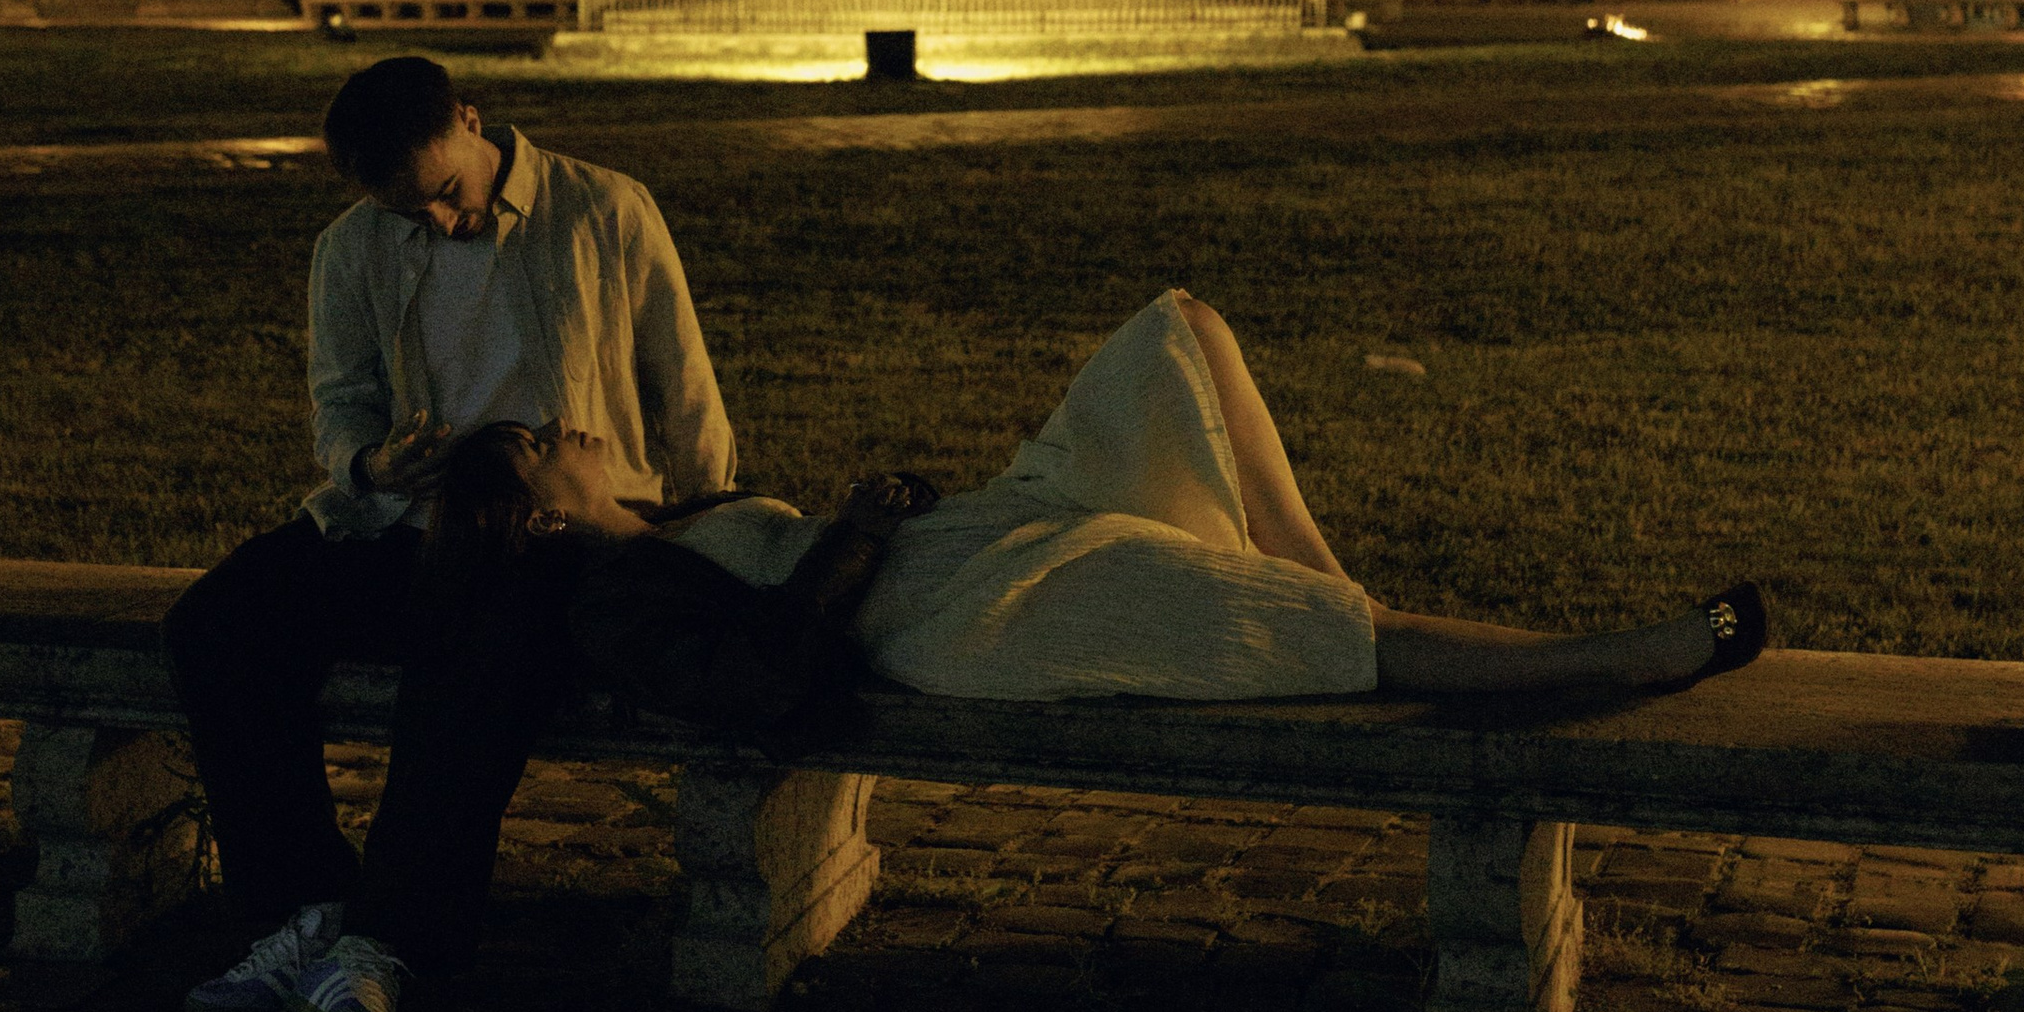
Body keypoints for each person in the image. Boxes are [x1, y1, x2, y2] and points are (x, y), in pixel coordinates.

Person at [162, 53, 735, 1012]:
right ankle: (302, 913)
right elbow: (339, 407)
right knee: (220, 620)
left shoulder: (602, 209)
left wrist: (698, 534)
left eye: (446, 194)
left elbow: (683, 388)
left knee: (474, 656)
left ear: (472, 121)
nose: (436, 221)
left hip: (556, 530)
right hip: (403, 517)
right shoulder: (351, 247)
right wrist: (376, 462)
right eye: (405, 211)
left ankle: (386, 947)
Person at [429, 287, 1765, 710]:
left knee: (1171, 334)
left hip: (962, 542)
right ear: (541, 515)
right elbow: (775, 672)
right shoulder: (617, 595)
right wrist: (863, 530)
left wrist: (870, 521)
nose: (567, 425)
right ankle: (1589, 664)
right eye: (541, 444)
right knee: (1269, 626)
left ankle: (1325, 575)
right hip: (960, 614)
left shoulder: (659, 528)